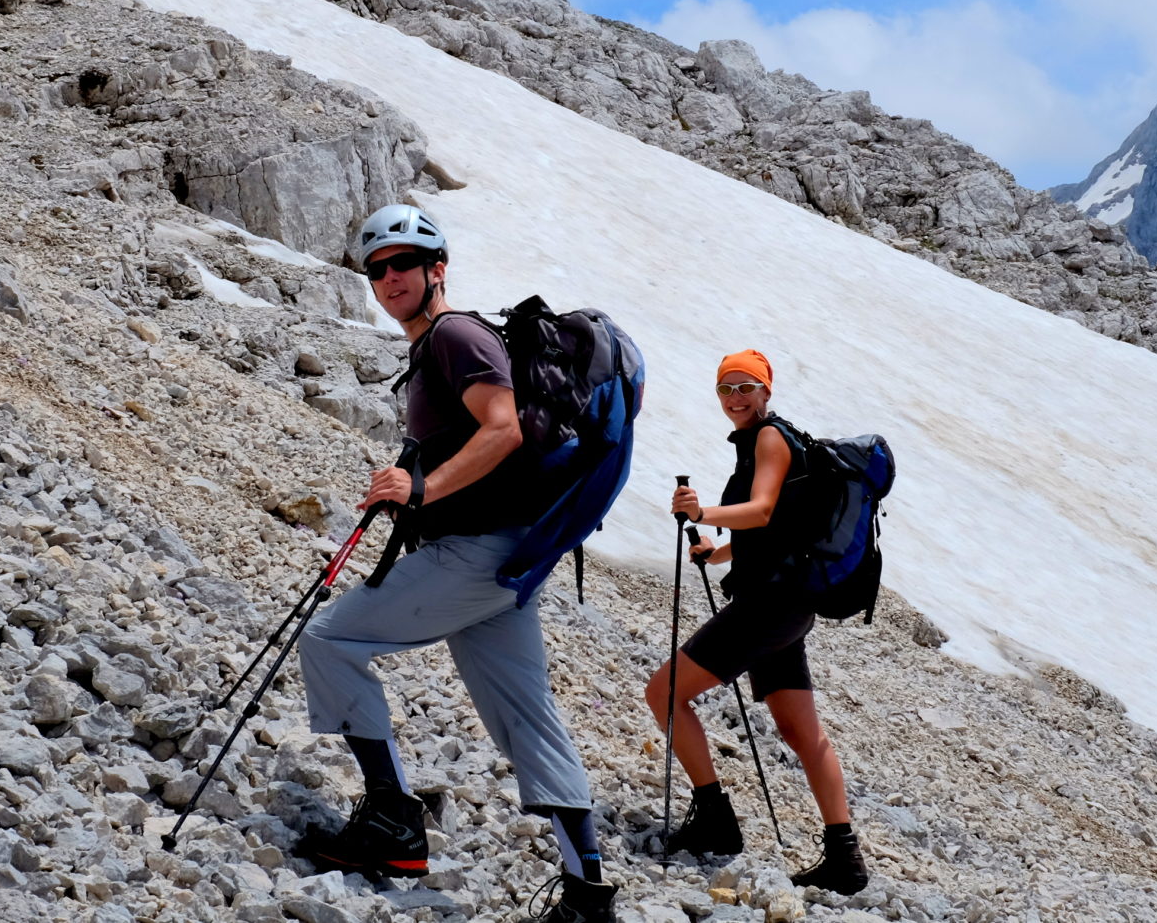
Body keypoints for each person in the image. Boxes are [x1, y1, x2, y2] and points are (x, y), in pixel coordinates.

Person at [296, 204, 617, 923]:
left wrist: (424, 486)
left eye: (402, 263)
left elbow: (502, 428)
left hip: (475, 553)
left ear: (437, 267)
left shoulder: (455, 333)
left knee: (328, 639)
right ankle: (589, 894)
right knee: (527, 716)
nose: (387, 278)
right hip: (505, 562)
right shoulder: (440, 344)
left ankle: (393, 824)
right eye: (376, 268)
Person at [642, 349, 870, 895]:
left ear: (766, 391)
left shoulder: (770, 439)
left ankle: (716, 821)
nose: (735, 398)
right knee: (800, 732)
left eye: (745, 387)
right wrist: (717, 553)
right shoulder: (770, 440)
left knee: (664, 693)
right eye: (726, 389)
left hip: (768, 607)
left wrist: (703, 515)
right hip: (786, 606)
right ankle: (845, 858)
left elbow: (763, 509)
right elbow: (774, 531)